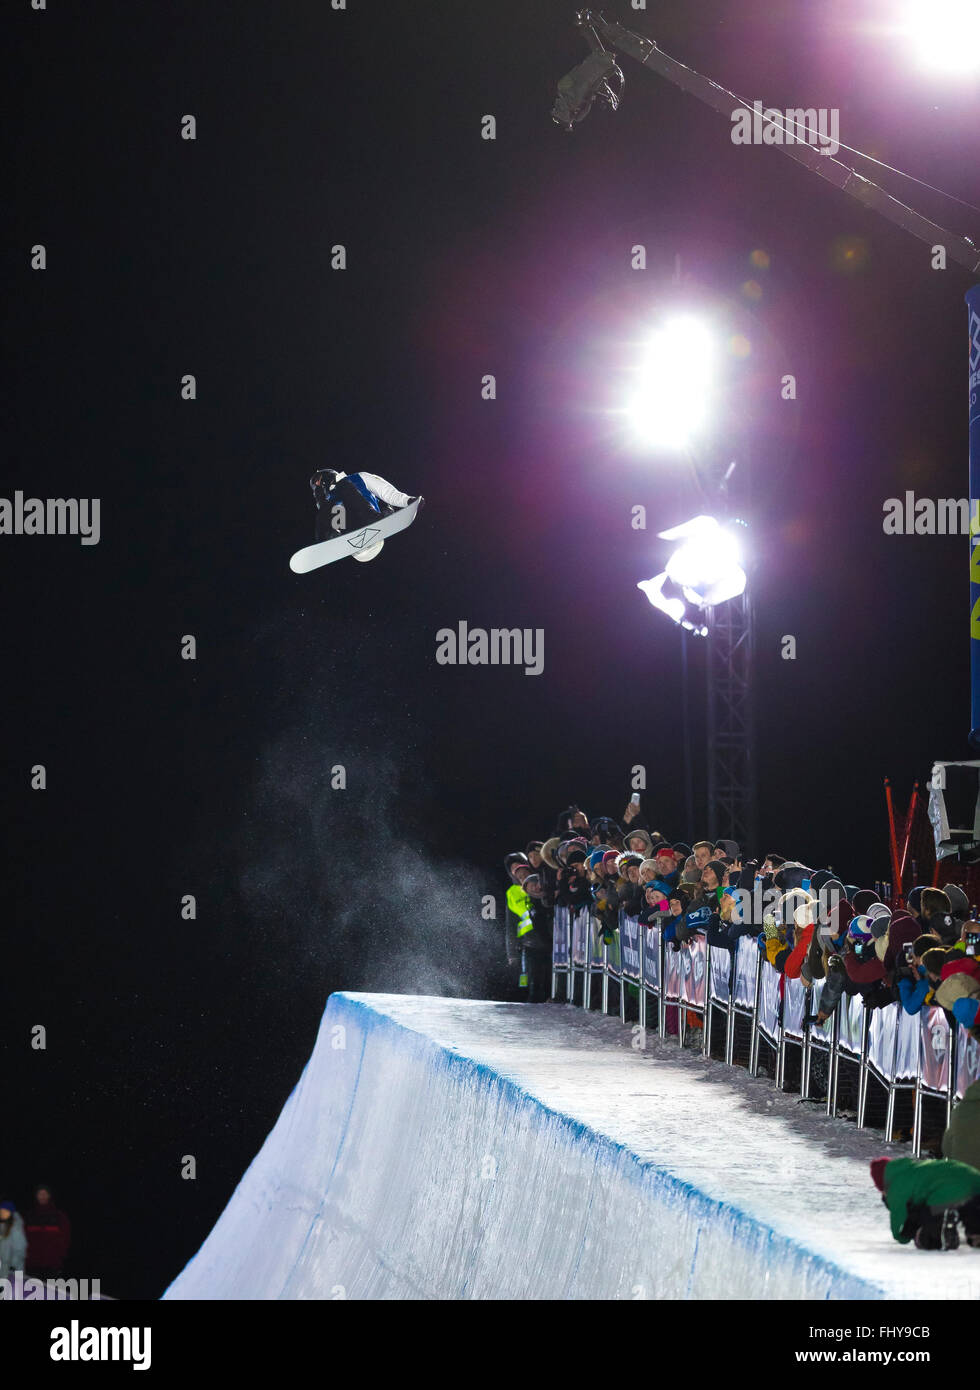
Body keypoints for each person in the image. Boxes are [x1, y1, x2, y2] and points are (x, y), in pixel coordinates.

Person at [309, 469, 423, 559]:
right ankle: (329, 539)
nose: (318, 486)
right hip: (354, 541)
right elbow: (327, 516)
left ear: (327, 475)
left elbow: (386, 491)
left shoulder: (359, 477)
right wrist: (321, 499)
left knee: (344, 486)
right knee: (328, 506)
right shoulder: (328, 501)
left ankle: (374, 519)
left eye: (318, 481)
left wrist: (407, 501)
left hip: (370, 520)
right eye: (316, 486)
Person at [870, 1155, 980, 1249]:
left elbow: (898, 1215)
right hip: (973, 1181)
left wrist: (902, 1236)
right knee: (970, 1207)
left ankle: (941, 1233)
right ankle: (976, 1233)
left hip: (949, 1194)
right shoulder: (915, 1168)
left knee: (926, 1218)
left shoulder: (896, 1184)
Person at [24, 1185, 71, 1277]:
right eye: (40, 1194)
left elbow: (66, 1239)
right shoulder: (29, 1216)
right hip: (31, 1265)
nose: (42, 1197)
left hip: (52, 1265)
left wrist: (60, 1257)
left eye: (45, 1194)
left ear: (49, 1196)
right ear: (36, 1196)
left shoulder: (59, 1216)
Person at [0, 1200, 27, 1279]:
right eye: (1, 1211)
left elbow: (20, 1248)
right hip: (3, 1267)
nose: (2, 1213)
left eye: (5, 1211)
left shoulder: (15, 1227)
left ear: (11, 1212)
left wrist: (13, 1265)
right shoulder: (2, 1226)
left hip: (12, 1269)